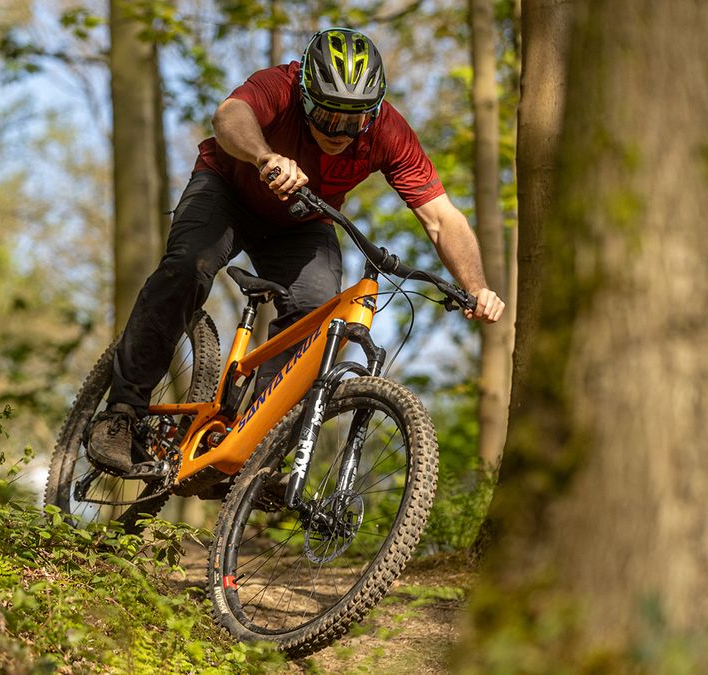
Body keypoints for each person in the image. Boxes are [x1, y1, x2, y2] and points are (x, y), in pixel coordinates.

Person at [87, 27, 506, 476]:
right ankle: (122, 414)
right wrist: (264, 156)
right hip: (226, 190)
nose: (340, 131)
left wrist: (477, 287)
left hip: (303, 223)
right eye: (328, 116)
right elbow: (230, 116)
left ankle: (254, 448)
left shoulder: (388, 132)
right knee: (188, 267)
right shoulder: (280, 85)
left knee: (317, 319)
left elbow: (441, 216)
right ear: (305, 95)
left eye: (355, 120)